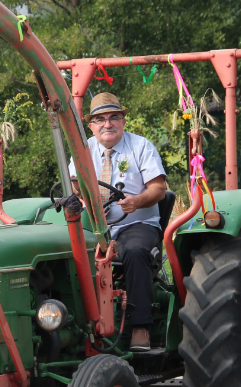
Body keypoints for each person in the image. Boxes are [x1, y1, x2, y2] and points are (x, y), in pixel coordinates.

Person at [68, 93, 167, 352]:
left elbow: (159, 190)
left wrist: (137, 201)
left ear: (123, 121)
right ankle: (72, 325)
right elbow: (75, 185)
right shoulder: (82, 150)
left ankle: (141, 327)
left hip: (137, 223)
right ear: (91, 125)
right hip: (95, 226)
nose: (107, 124)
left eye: (114, 117)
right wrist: (81, 193)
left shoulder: (141, 146)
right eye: (100, 119)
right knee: (68, 254)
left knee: (134, 251)